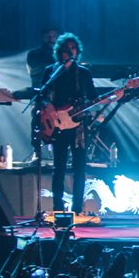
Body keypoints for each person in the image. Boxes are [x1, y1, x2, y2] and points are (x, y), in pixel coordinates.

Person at [37, 33, 97, 214]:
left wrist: (107, 99)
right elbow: (41, 96)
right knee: (59, 168)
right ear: (59, 51)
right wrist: (48, 107)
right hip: (57, 125)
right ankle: (58, 209)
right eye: (66, 48)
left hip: (78, 127)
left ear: (77, 51)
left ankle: (78, 209)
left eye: (73, 48)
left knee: (80, 169)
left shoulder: (83, 73)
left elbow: (94, 97)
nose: (70, 51)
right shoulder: (51, 71)